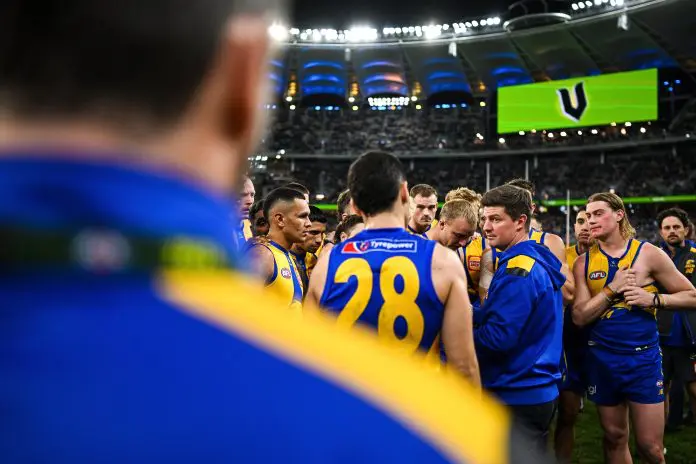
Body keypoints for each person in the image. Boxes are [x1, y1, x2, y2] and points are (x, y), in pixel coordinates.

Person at [0, 2, 553, 463]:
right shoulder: (451, 435)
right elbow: (461, 364)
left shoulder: (333, 258)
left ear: (353, 201)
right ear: (246, 76)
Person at [307, 152, 480, 385]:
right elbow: (463, 367)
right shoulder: (443, 261)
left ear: (356, 207)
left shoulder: (326, 264)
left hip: (351, 407)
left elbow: (307, 357)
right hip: (418, 409)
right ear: (404, 192)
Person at [572, 193, 696, 464]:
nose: (591, 220)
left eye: (598, 213)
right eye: (588, 215)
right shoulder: (583, 263)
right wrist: (612, 289)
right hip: (602, 360)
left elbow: (692, 296)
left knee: (650, 448)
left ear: (619, 214)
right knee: (614, 437)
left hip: (643, 360)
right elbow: (579, 317)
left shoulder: (648, 253)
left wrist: (653, 299)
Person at [476, 184, 565, 452]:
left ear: (520, 222)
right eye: (484, 219)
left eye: (495, 219)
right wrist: (469, 311)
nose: (486, 227)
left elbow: (497, 339)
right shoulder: (533, 258)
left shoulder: (519, 269)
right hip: (535, 386)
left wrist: (449, 335)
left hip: (517, 390)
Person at [479, 179, 574, 306]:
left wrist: (534, 261)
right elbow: (486, 302)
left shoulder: (550, 242)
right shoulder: (490, 250)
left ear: (531, 208)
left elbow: (569, 295)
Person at [554, 209, 593, 464]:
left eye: (591, 220)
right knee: (564, 414)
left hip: (601, 341)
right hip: (567, 342)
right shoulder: (561, 255)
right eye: (580, 221)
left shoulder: (615, 258)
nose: (585, 226)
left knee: (614, 423)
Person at [656, 208, 696, 429]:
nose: (672, 231)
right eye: (667, 228)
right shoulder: (654, 256)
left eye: (676, 227)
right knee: (661, 389)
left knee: (694, 388)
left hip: (690, 336)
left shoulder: (695, 255)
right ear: (661, 232)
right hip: (660, 336)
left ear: (686, 230)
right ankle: (660, 436)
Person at [246, 187, 310, 311]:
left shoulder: (286, 255)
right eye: (302, 216)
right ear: (280, 219)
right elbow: (238, 311)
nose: (308, 223)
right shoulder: (262, 255)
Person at [291, 206, 328, 291]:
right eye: (313, 232)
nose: (319, 240)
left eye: (322, 233)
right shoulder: (275, 258)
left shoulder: (316, 260)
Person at [237, 176, 256, 243]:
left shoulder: (254, 227)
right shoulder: (209, 230)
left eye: (252, 195)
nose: (250, 201)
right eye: (242, 195)